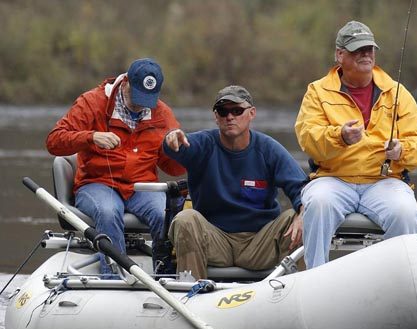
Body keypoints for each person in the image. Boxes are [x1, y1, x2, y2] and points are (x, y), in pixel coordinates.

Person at [295, 20, 417, 269]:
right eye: (357, 49)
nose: (365, 54)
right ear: (340, 55)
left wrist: (402, 150)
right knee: (319, 203)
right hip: (333, 179)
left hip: (385, 181)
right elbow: (308, 138)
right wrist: (340, 137)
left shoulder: (398, 92)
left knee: (404, 211)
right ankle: (316, 278)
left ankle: (399, 279)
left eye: (369, 48)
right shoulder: (317, 92)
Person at [46, 58, 186, 276]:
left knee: (164, 214)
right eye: (138, 97)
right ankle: (114, 275)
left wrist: (177, 151)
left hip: (142, 187)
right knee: (109, 212)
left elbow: (175, 169)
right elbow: (54, 141)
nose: (141, 105)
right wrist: (91, 137)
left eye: (148, 100)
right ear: (126, 82)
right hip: (96, 184)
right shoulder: (92, 102)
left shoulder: (162, 113)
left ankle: (166, 275)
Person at [163, 85, 307, 280]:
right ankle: (189, 291)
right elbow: (176, 147)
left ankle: (292, 291)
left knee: (294, 217)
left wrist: (302, 213)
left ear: (252, 113)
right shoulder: (204, 144)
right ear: (216, 116)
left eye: (237, 110)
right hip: (215, 241)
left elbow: (302, 188)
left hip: (259, 244)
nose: (229, 117)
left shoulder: (268, 148)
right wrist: (171, 138)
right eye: (223, 111)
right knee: (185, 219)